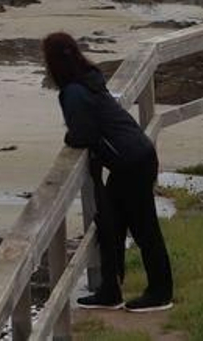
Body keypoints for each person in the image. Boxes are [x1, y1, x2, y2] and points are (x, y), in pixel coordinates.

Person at [43, 32, 174, 313]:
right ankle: (109, 290)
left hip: (131, 162)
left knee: (145, 229)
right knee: (110, 225)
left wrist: (70, 140)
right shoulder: (89, 78)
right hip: (135, 154)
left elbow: (83, 134)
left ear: (51, 62)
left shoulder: (74, 91)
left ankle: (161, 293)